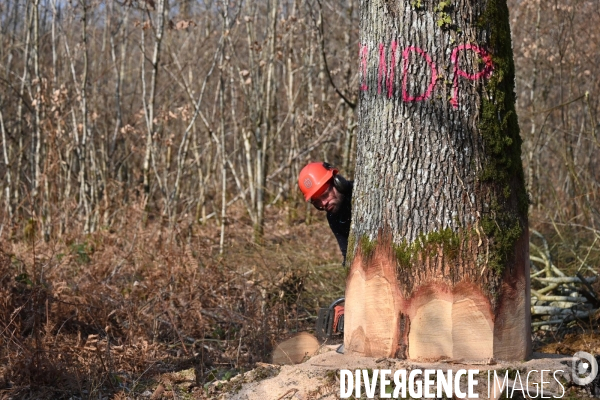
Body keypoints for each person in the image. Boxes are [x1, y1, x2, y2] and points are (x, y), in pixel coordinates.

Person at [298, 162, 353, 266]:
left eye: (325, 195)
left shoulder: (361, 194)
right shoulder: (333, 217)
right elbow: (348, 254)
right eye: (317, 202)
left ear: (338, 182)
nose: (323, 203)